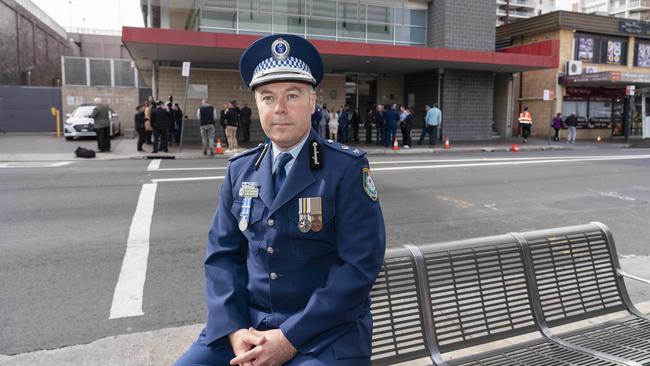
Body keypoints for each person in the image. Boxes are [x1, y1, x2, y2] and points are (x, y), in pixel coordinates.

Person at [174, 33, 386, 366]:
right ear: (257, 104)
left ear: (312, 101)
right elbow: (223, 255)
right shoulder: (240, 170)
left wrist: (289, 339)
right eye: (268, 97)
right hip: (249, 326)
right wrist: (233, 330)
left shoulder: (345, 169)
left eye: (292, 95)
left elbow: (359, 268)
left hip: (324, 332)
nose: (280, 108)